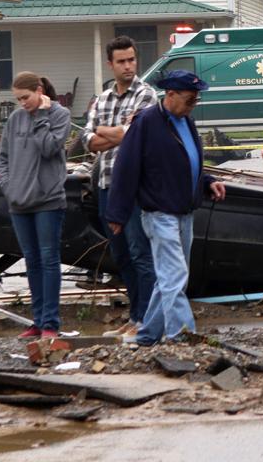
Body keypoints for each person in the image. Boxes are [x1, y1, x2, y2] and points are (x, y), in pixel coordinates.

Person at [106, 70, 226, 345]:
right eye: (189, 100)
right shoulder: (146, 122)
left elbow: (186, 162)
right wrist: (117, 212)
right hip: (159, 213)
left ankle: (147, 334)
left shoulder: (187, 122)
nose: (192, 105)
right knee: (174, 276)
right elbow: (126, 168)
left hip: (184, 212)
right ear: (170, 95)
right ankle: (183, 335)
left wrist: (207, 182)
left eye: (195, 101)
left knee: (169, 280)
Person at [82, 36, 159, 338]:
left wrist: (108, 132)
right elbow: (88, 141)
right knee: (122, 255)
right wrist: (115, 132)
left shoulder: (147, 95)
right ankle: (134, 316)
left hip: (136, 188)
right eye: (122, 61)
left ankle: (146, 320)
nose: (128, 66)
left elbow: (133, 135)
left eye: (132, 60)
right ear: (110, 64)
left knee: (141, 253)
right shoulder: (102, 99)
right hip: (106, 185)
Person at [0, 72, 71, 339]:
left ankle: (50, 324)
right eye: (18, 99)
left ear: (39, 91)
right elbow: (2, 158)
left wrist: (40, 117)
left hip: (48, 201)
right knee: (32, 262)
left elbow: (49, 148)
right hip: (19, 202)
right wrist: (8, 186)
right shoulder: (15, 119)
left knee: (49, 260)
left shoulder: (60, 115)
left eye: (26, 98)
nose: (22, 104)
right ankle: (37, 321)